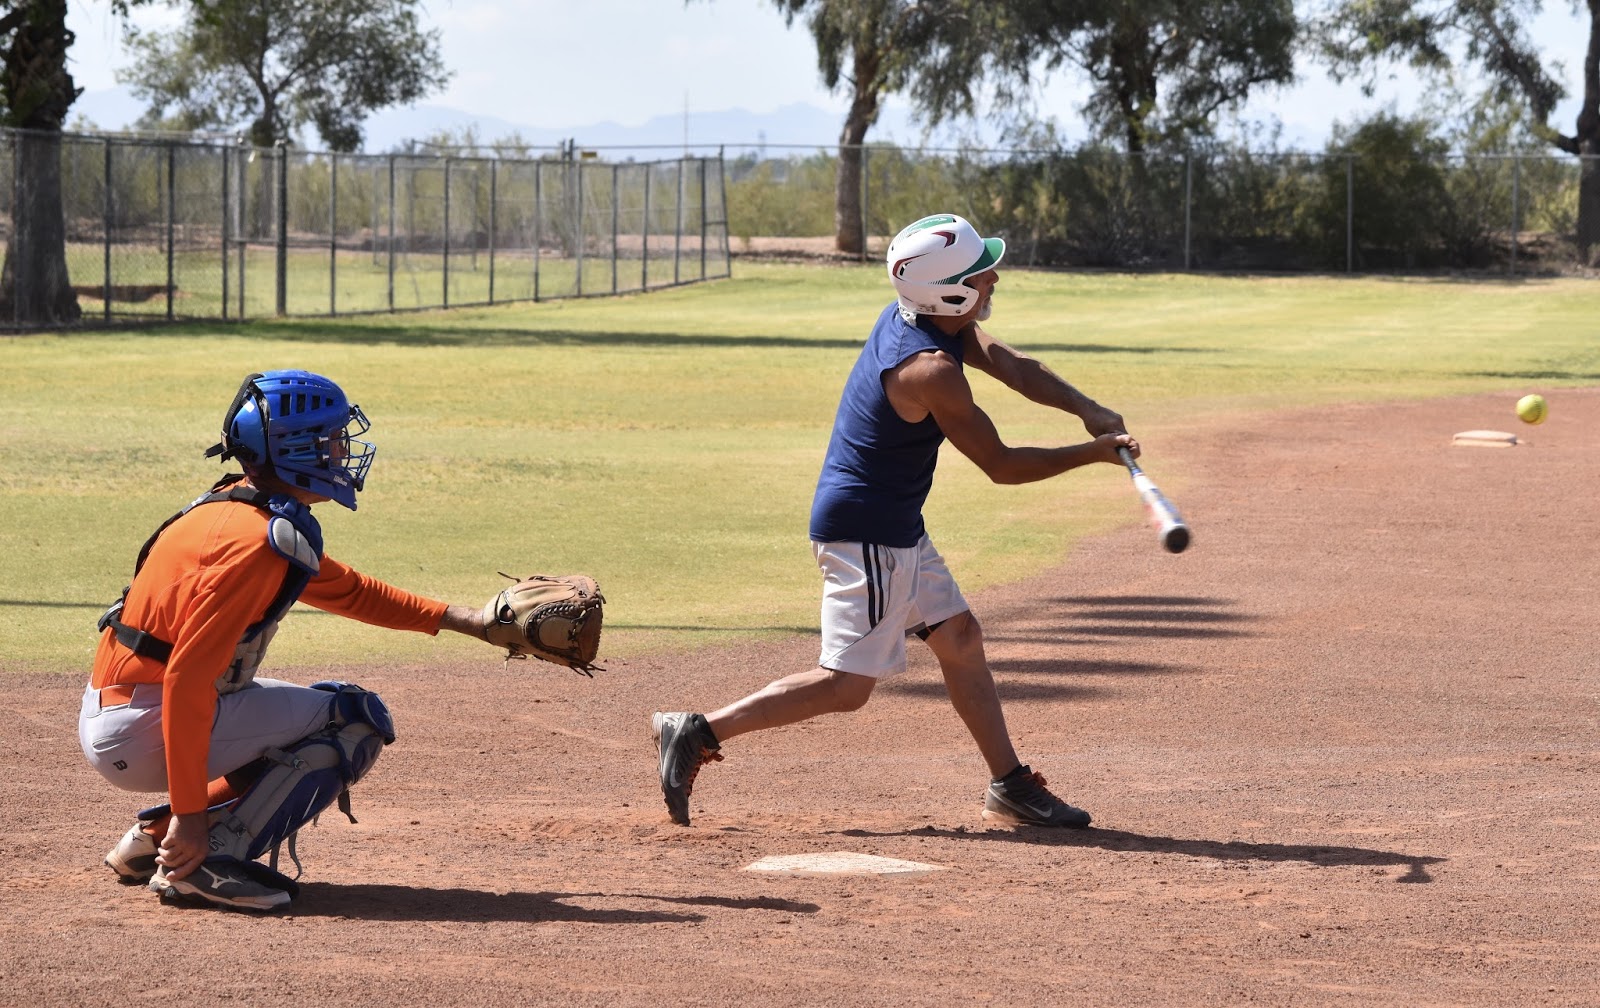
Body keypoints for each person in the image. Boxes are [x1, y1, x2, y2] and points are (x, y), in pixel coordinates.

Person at [653, 213, 1139, 829]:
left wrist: (1088, 410)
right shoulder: (928, 368)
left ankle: (1009, 785)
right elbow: (1002, 466)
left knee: (960, 641)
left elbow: (1016, 367)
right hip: (868, 536)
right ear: (949, 290)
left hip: (892, 525)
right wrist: (1094, 455)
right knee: (846, 688)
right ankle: (695, 731)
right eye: (980, 271)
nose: (993, 276)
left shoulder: (925, 316)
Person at [81, 369, 496, 911]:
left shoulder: (237, 506)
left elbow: (349, 591)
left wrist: (474, 622)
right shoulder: (256, 544)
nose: (343, 449)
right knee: (353, 719)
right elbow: (187, 681)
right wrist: (189, 812)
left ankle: (155, 840)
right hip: (145, 724)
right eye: (330, 439)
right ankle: (199, 861)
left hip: (123, 707)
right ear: (295, 448)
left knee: (313, 714)